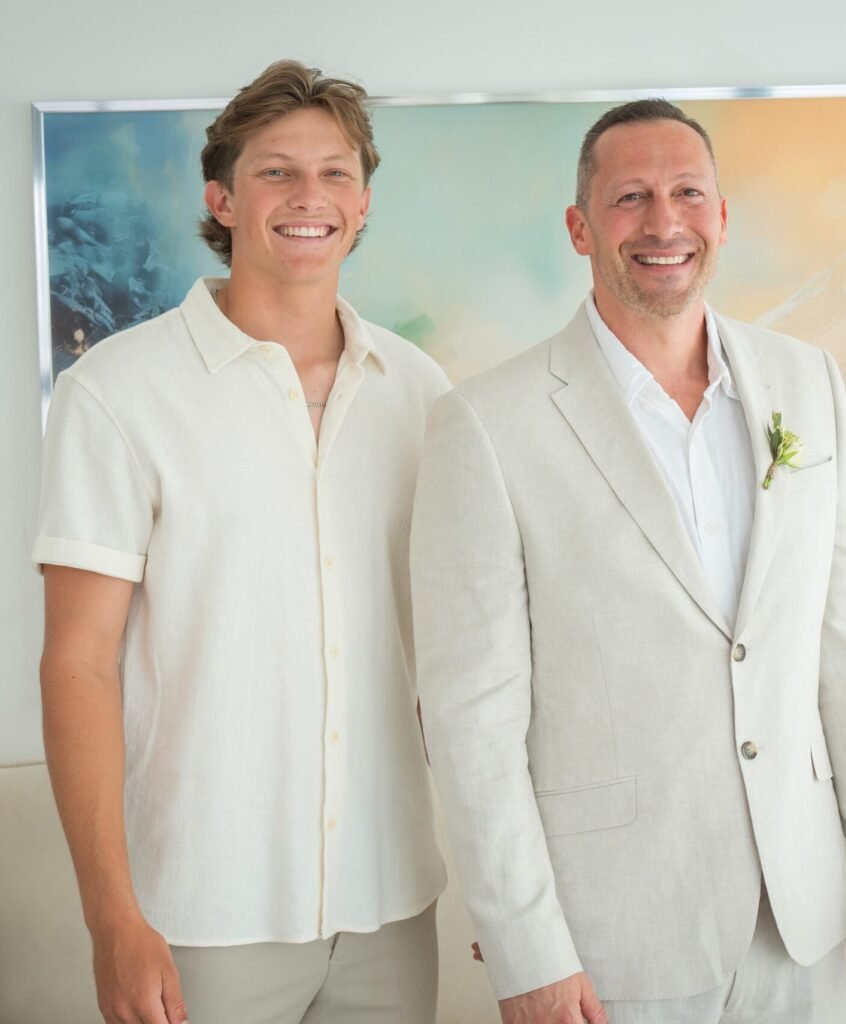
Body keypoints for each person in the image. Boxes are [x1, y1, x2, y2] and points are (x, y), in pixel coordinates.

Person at [410, 99, 846, 1024]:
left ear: (722, 217)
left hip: (800, 919)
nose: (664, 222)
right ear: (580, 228)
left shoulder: (807, 382)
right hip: (610, 934)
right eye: (630, 197)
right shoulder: (486, 425)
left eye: (688, 193)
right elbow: (473, 723)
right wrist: (526, 948)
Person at [35, 60, 447, 1024]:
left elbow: (448, 657)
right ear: (221, 199)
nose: (310, 197)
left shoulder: (421, 391)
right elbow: (77, 663)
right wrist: (111, 920)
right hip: (200, 915)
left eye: (336, 173)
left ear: (363, 203)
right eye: (276, 173)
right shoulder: (118, 393)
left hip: (392, 902)